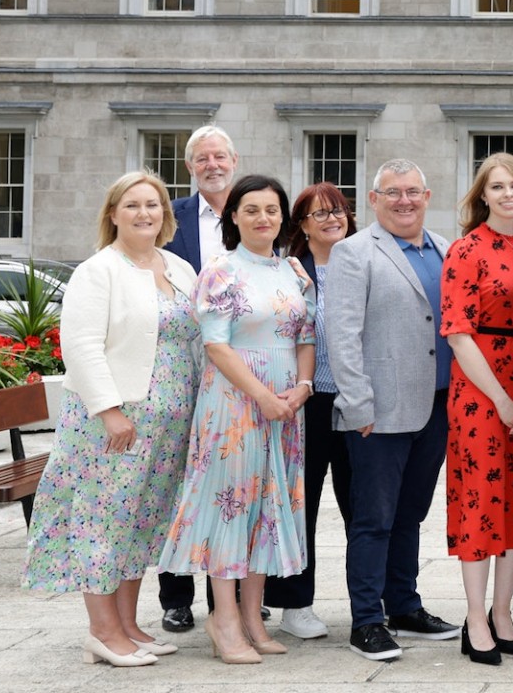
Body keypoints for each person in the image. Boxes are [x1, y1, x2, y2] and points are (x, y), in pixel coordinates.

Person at [22, 171, 201, 667]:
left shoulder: (179, 268)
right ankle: (102, 631)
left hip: (168, 422)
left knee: (140, 521)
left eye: (154, 204)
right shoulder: (99, 270)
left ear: (165, 213)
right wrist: (110, 411)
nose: (145, 213)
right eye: (133, 205)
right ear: (113, 214)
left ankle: (127, 624)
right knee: (103, 520)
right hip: (115, 421)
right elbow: (79, 346)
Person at [158, 174, 315, 665]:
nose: (262, 218)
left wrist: (303, 388)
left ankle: (253, 615)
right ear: (233, 217)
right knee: (231, 504)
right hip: (235, 402)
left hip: (287, 406)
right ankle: (222, 618)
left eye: (271, 209)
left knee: (269, 507)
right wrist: (263, 396)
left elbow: (306, 336)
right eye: (251, 209)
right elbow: (215, 344)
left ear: (283, 218)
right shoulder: (221, 270)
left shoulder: (292, 270)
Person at [326, 160, 463, 662]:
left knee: (411, 513)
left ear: (427, 195)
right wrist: (357, 401)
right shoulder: (353, 252)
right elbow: (341, 334)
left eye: (412, 192)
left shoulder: (447, 248)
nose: (404, 201)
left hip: (438, 404)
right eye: (393, 193)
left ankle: (403, 604)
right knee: (374, 518)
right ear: (373, 198)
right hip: (378, 409)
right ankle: (366, 620)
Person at [440, 154, 513, 666]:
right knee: (482, 500)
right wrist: (504, 401)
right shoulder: (466, 249)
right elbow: (458, 334)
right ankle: (476, 617)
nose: (508, 194)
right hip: (481, 388)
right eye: (497, 187)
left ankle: (503, 611)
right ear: (482, 195)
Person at [263, 182, 358, 641]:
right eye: (319, 214)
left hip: (358, 401)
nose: (332, 219)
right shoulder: (288, 270)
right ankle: (294, 603)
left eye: (338, 211)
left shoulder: (363, 262)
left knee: (362, 506)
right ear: (300, 224)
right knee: (302, 506)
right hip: (307, 402)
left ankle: (370, 599)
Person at [156, 123, 239, 633]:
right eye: (202, 158)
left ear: (235, 160)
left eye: (220, 156)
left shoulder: (255, 209)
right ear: (190, 168)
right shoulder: (173, 218)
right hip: (184, 367)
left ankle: (229, 596)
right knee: (180, 485)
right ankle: (175, 596)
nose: (212, 164)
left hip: (244, 370)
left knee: (233, 483)